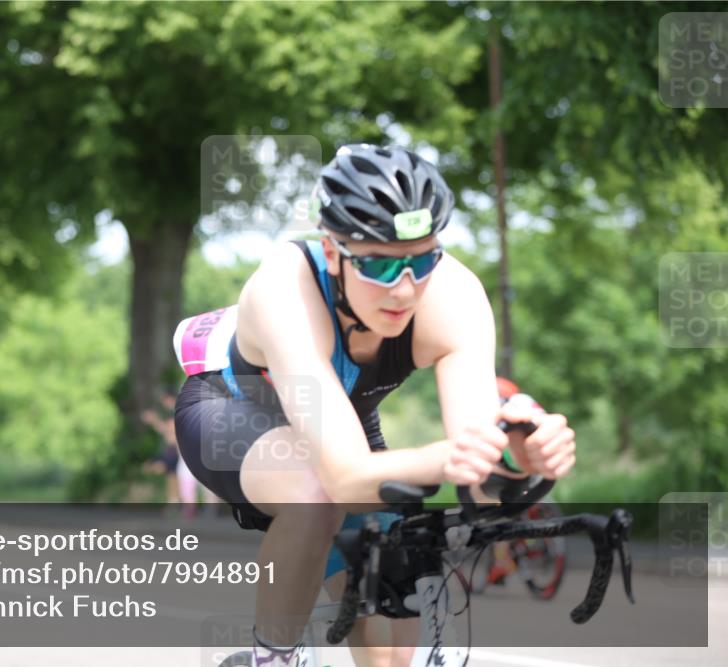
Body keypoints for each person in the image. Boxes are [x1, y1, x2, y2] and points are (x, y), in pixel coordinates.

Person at [172, 144, 576, 667]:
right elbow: (341, 477)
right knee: (315, 495)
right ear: (332, 251)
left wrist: (518, 457)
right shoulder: (285, 290)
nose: (404, 290)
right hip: (232, 410)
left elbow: (480, 477)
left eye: (421, 261)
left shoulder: (454, 296)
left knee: (388, 650)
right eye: (379, 266)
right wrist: (445, 458)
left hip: (345, 423)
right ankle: (273, 658)